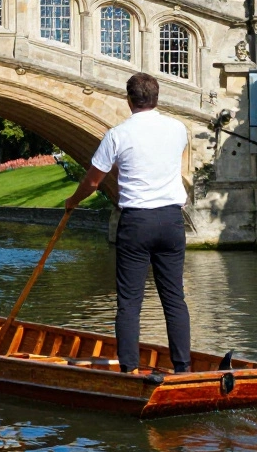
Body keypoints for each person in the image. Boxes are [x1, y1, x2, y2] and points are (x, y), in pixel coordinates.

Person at [64, 72, 191, 374]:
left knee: (130, 301)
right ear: (157, 98)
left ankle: (129, 371)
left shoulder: (118, 134)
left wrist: (73, 201)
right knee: (174, 297)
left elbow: (94, 182)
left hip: (137, 222)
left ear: (129, 100)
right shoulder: (179, 129)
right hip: (172, 220)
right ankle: (183, 369)